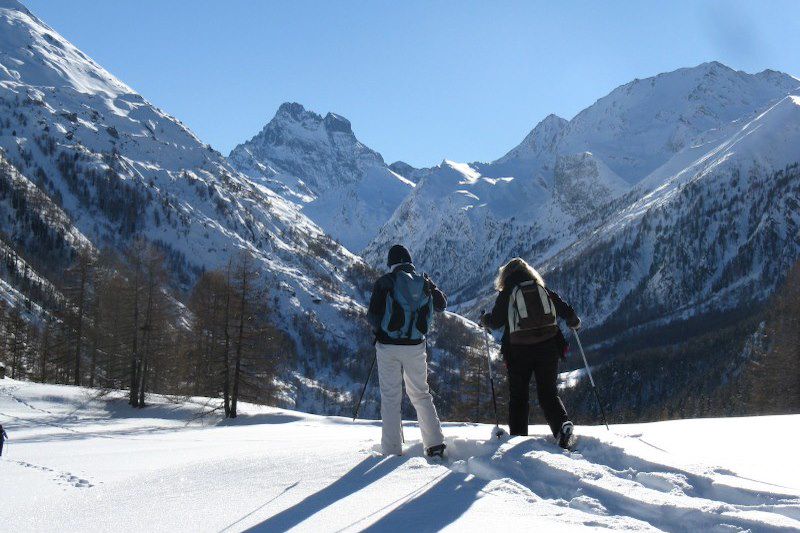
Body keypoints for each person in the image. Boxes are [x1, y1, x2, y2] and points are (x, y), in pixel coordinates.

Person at [480, 257, 581, 449]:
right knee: (548, 393)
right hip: (548, 347)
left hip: (519, 351)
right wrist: (573, 321)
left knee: (519, 396)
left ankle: (518, 440)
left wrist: (485, 320)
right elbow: (564, 308)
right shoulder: (541, 288)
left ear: (505, 275)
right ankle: (561, 426)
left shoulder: (508, 291)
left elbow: (496, 321)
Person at [367, 244, 447, 457]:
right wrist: (431, 286)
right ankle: (435, 444)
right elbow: (441, 305)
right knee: (421, 394)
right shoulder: (423, 282)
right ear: (410, 262)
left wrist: (379, 332)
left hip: (388, 346)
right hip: (415, 346)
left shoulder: (386, 282)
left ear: (391, 264)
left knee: (391, 398)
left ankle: (392, 450)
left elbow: (372, 316)